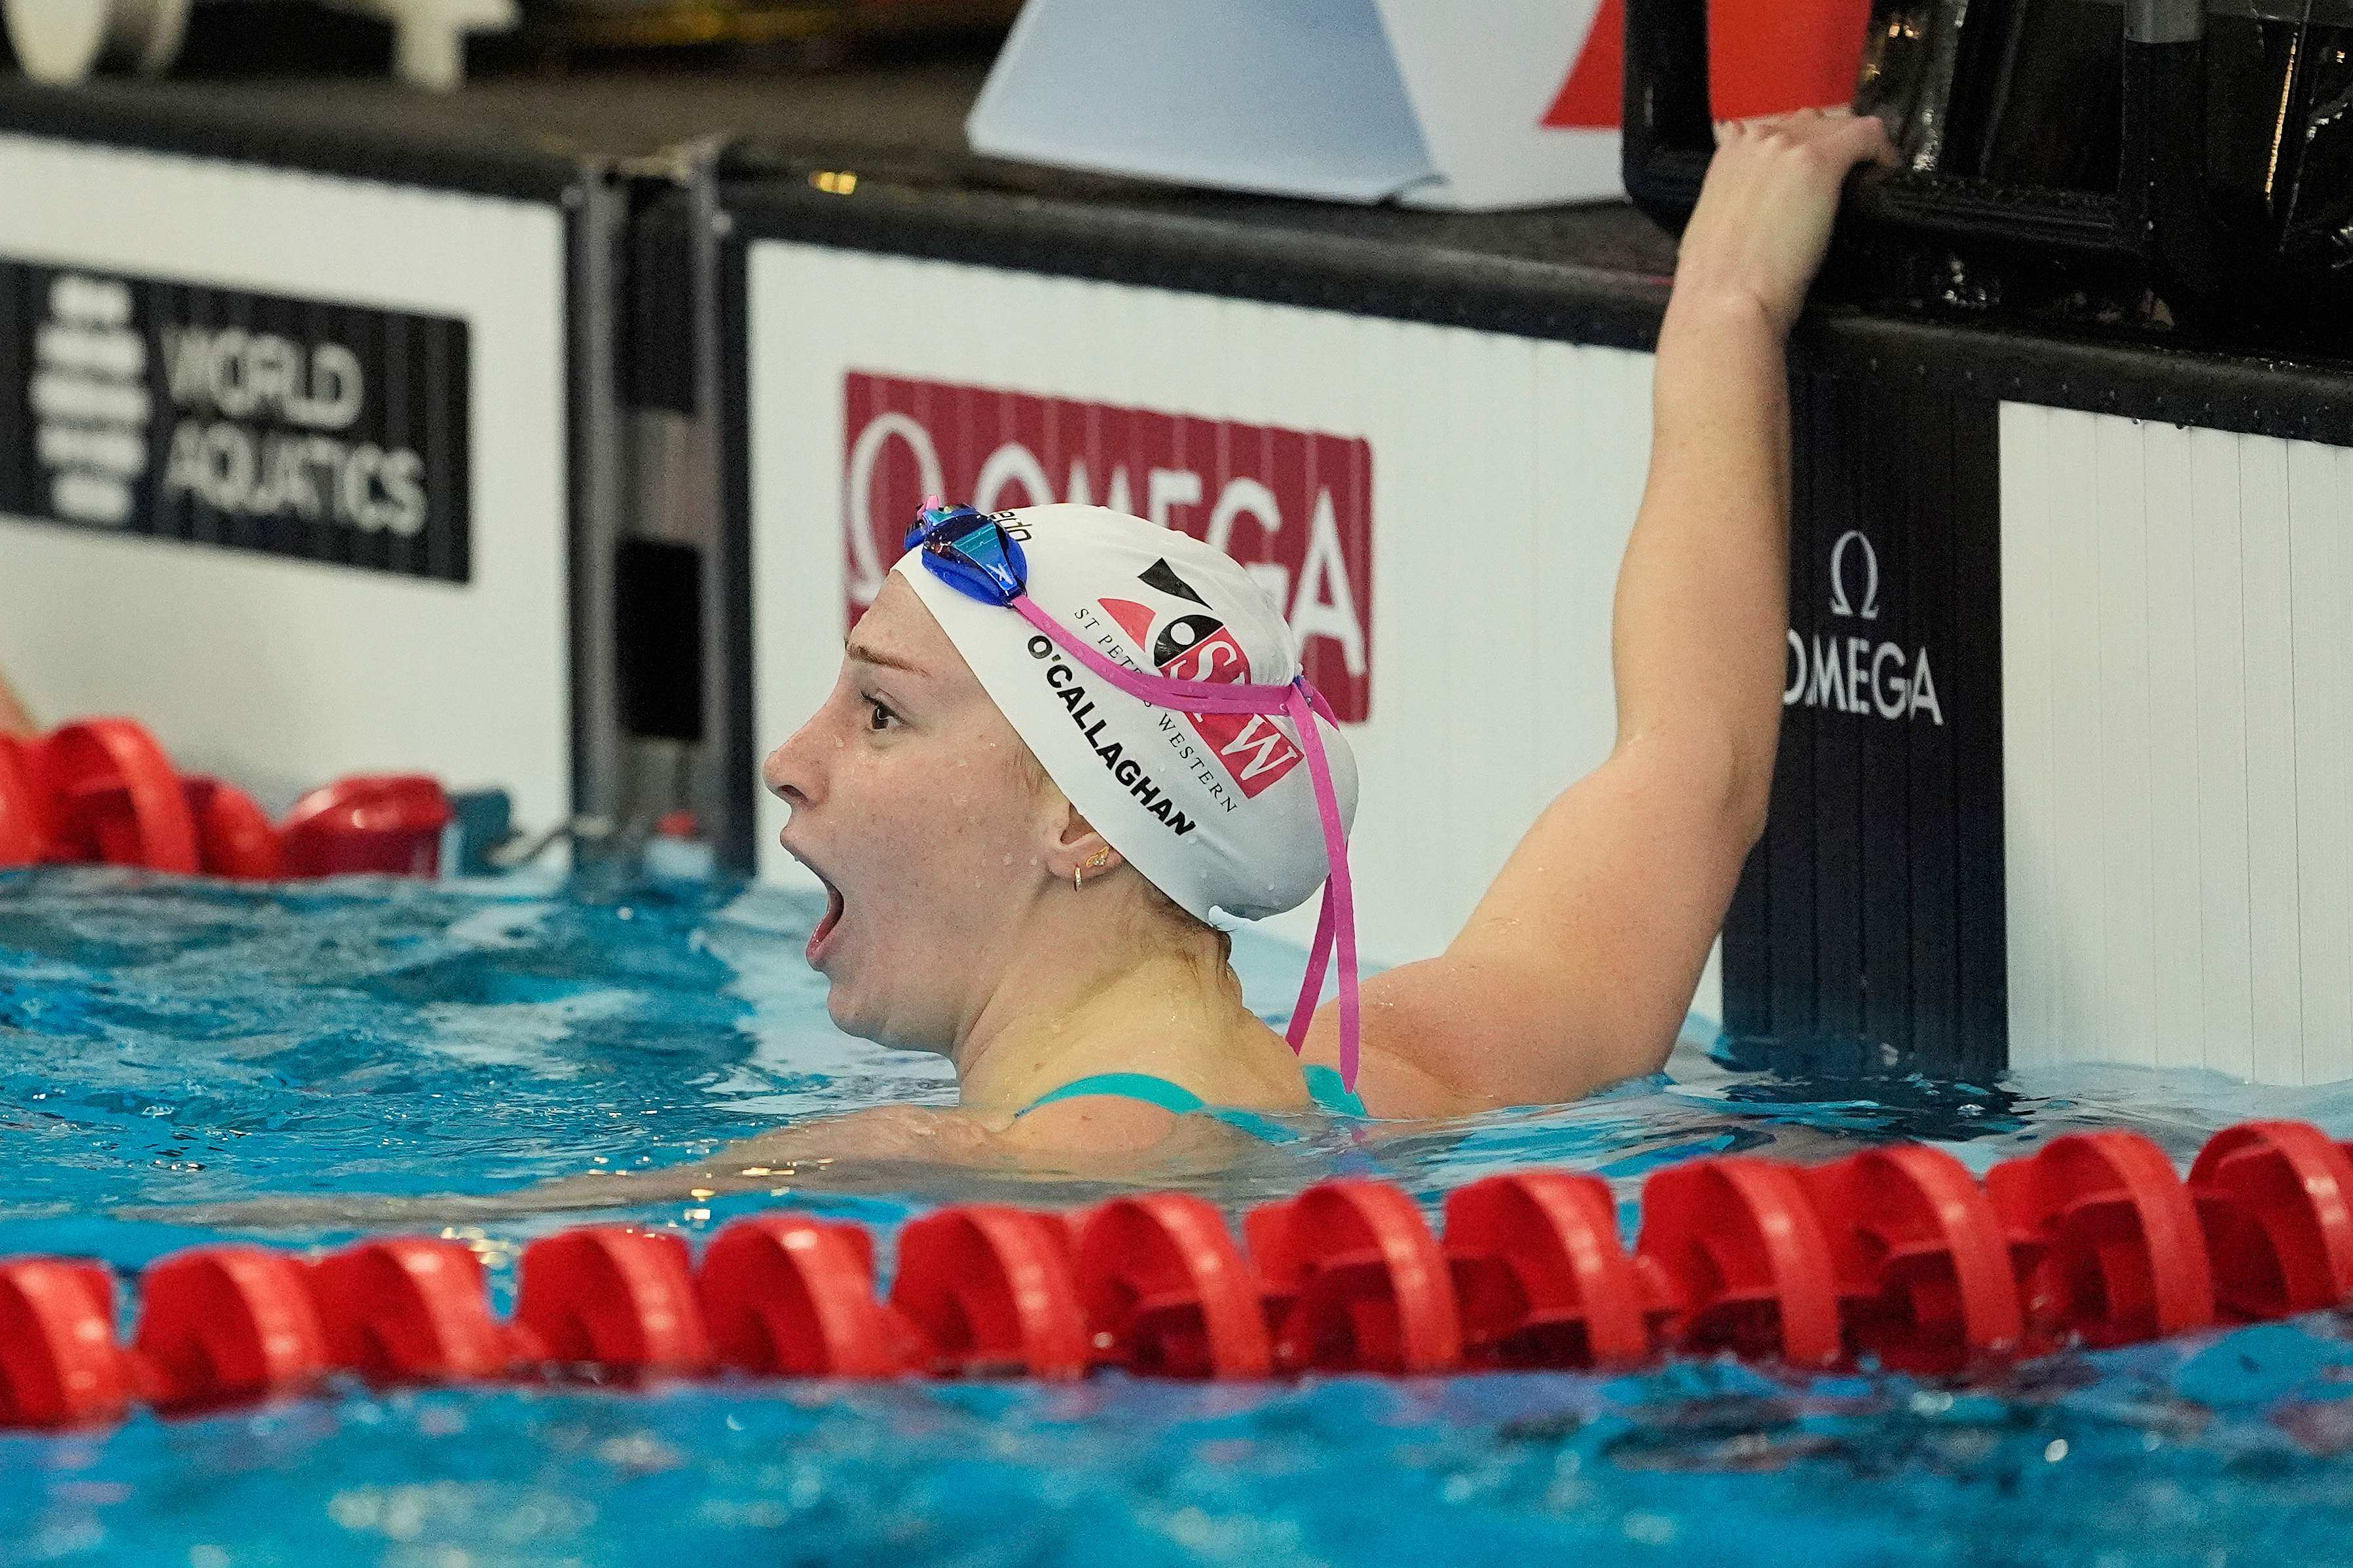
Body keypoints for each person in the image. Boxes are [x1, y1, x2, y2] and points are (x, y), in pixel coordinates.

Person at [177, 108, 1900, 1225]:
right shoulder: (1431, 1069)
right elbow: (1689, 762)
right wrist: (1724, 314)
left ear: (1085, 820)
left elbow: (357, 1269)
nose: (786, 760)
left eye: (876, 710)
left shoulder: (925, 1182)